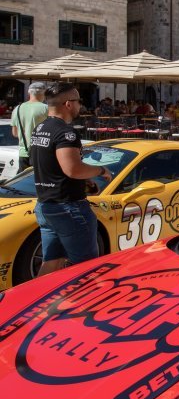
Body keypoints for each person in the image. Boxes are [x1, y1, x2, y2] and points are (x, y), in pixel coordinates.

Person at [30, 83, 112, 276]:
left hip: (46, 205)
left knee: (52, 261)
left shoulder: (40, 128)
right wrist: (100, 170)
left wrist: (83, 182)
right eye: (78, 101)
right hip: (69, 208)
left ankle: (39, 303)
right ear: (68, 104)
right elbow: (73, 169)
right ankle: (83, 305)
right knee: (86, 269)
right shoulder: (66, 132)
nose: (80, 105)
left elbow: (52, 166)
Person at [10, 81, 48, 174]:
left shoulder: (17, 109)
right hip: (42, 153)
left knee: (24, 183)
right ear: (44, 93)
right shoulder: (46, 108)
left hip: (23, 153)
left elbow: (15, 133)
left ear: (29, 93)